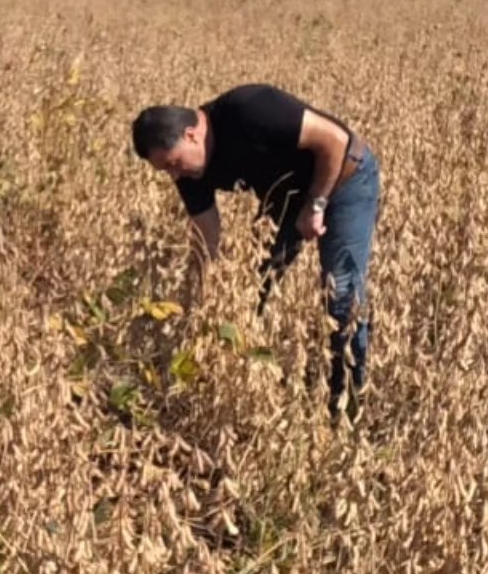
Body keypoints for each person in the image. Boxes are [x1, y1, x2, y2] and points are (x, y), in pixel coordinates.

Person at [131, 83, 380, 419]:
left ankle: (348, 404)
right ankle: (247, 388)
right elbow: (206, 238)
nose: (174, 175)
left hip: (345, 178)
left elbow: (335, 140)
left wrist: (316, 205)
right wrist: (203, 303)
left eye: (173, 163)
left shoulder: (250, 109)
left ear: (191, 135)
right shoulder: (188, 172)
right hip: (286, 200)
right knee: (250, 290)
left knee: (341, 295)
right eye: (166, 170)